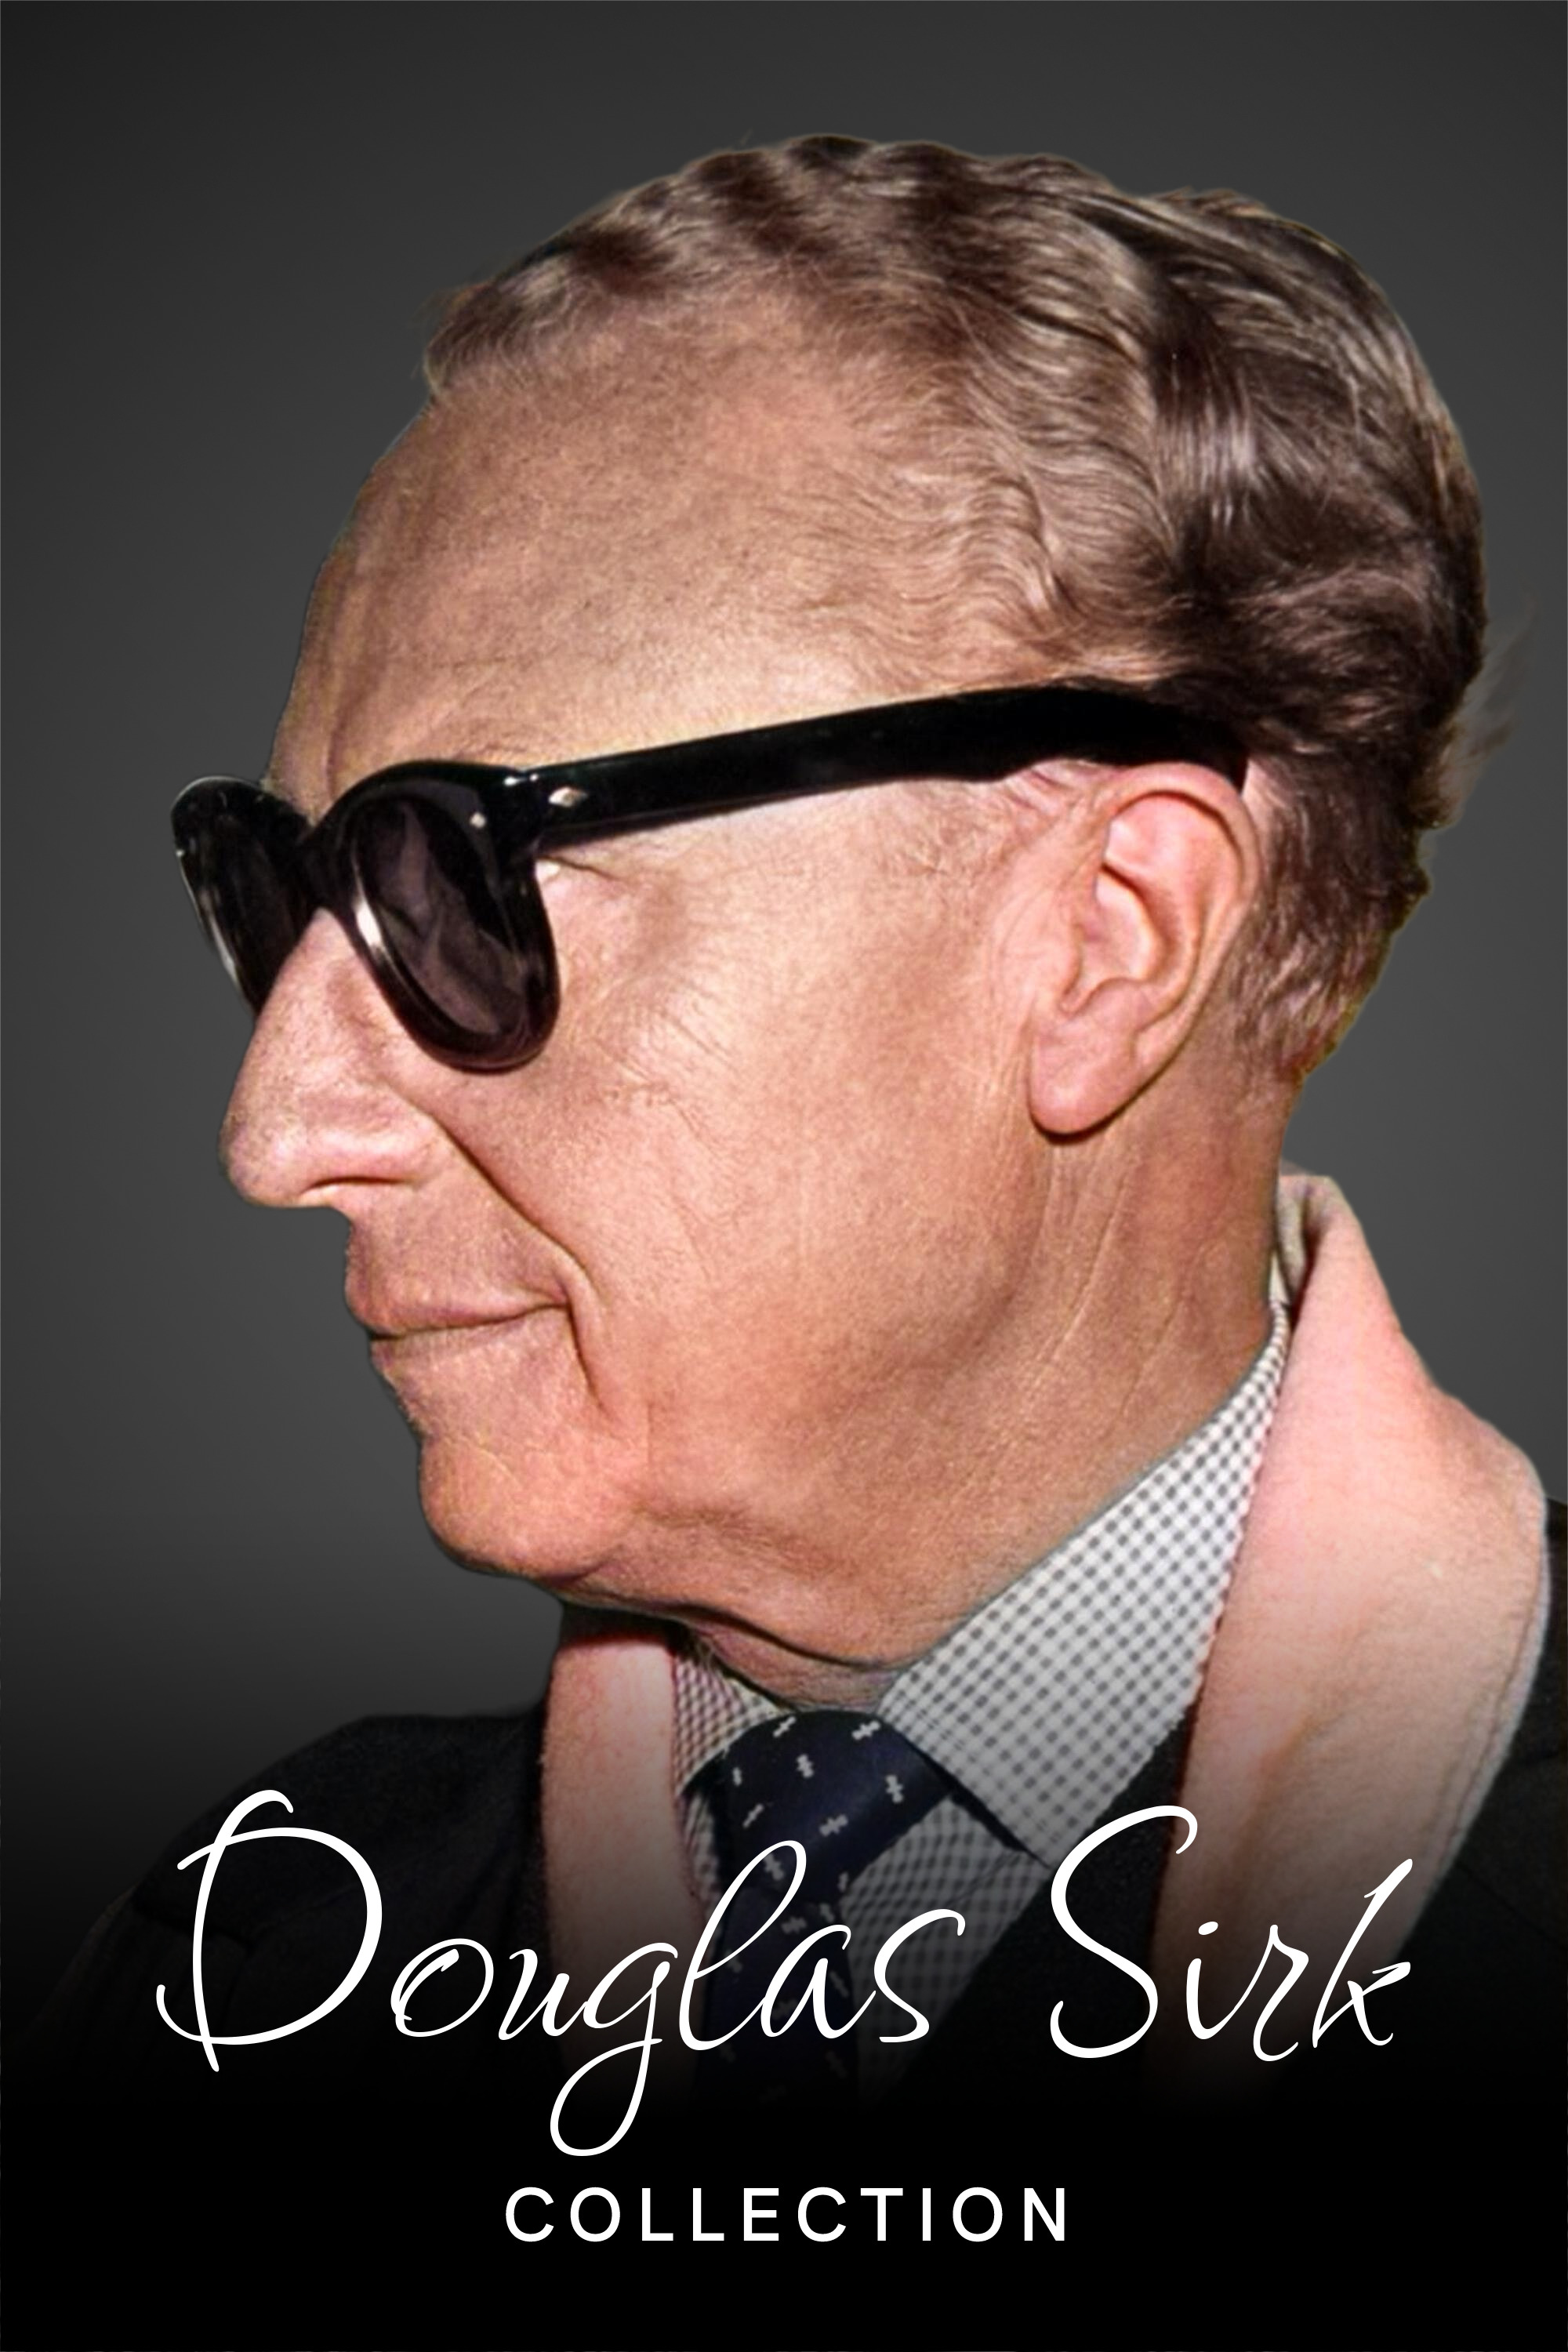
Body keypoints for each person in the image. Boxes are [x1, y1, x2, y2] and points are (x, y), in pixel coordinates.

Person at [30, 136, 1559, 2175]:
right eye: (277, 892)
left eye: (464, 881)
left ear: (1107, 941)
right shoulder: (244, 1967)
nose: (275, 1131)